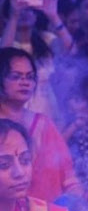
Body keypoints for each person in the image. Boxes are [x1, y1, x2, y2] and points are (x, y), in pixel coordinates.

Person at [0, 47, 82, 202]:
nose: (25, 82)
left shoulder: (43, 124)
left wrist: (75, 204)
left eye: (30, 77)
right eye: (16, 76)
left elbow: (68, 177)